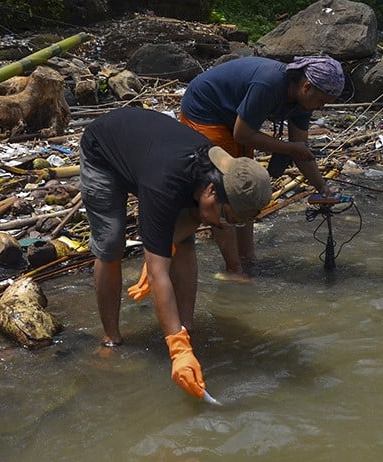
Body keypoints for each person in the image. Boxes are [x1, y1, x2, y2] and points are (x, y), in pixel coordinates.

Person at [79, 107, 272, 398]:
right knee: (111, 245)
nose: (224, 225)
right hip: (104, 151)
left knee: (183, 245)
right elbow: (160, 274)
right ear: (210, 192)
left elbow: (196, 217)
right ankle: (111, 339)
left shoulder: (220, 171)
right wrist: (176, 349)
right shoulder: (164, 186)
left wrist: (167, 244)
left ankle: (187, 327)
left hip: (148, 152)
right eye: (228, 217)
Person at [179, 55, 345, 280]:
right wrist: (288, 148)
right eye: (322, 101)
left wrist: (322, 187)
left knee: (246, 191)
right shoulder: (269, 84)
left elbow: (301, 151)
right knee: (225, 190)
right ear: (307, 86)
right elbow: (243, 134)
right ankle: (233, 270)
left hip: (237, 120)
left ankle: (248, 259)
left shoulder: (303, 103)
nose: (322, 107)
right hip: (207, 110)